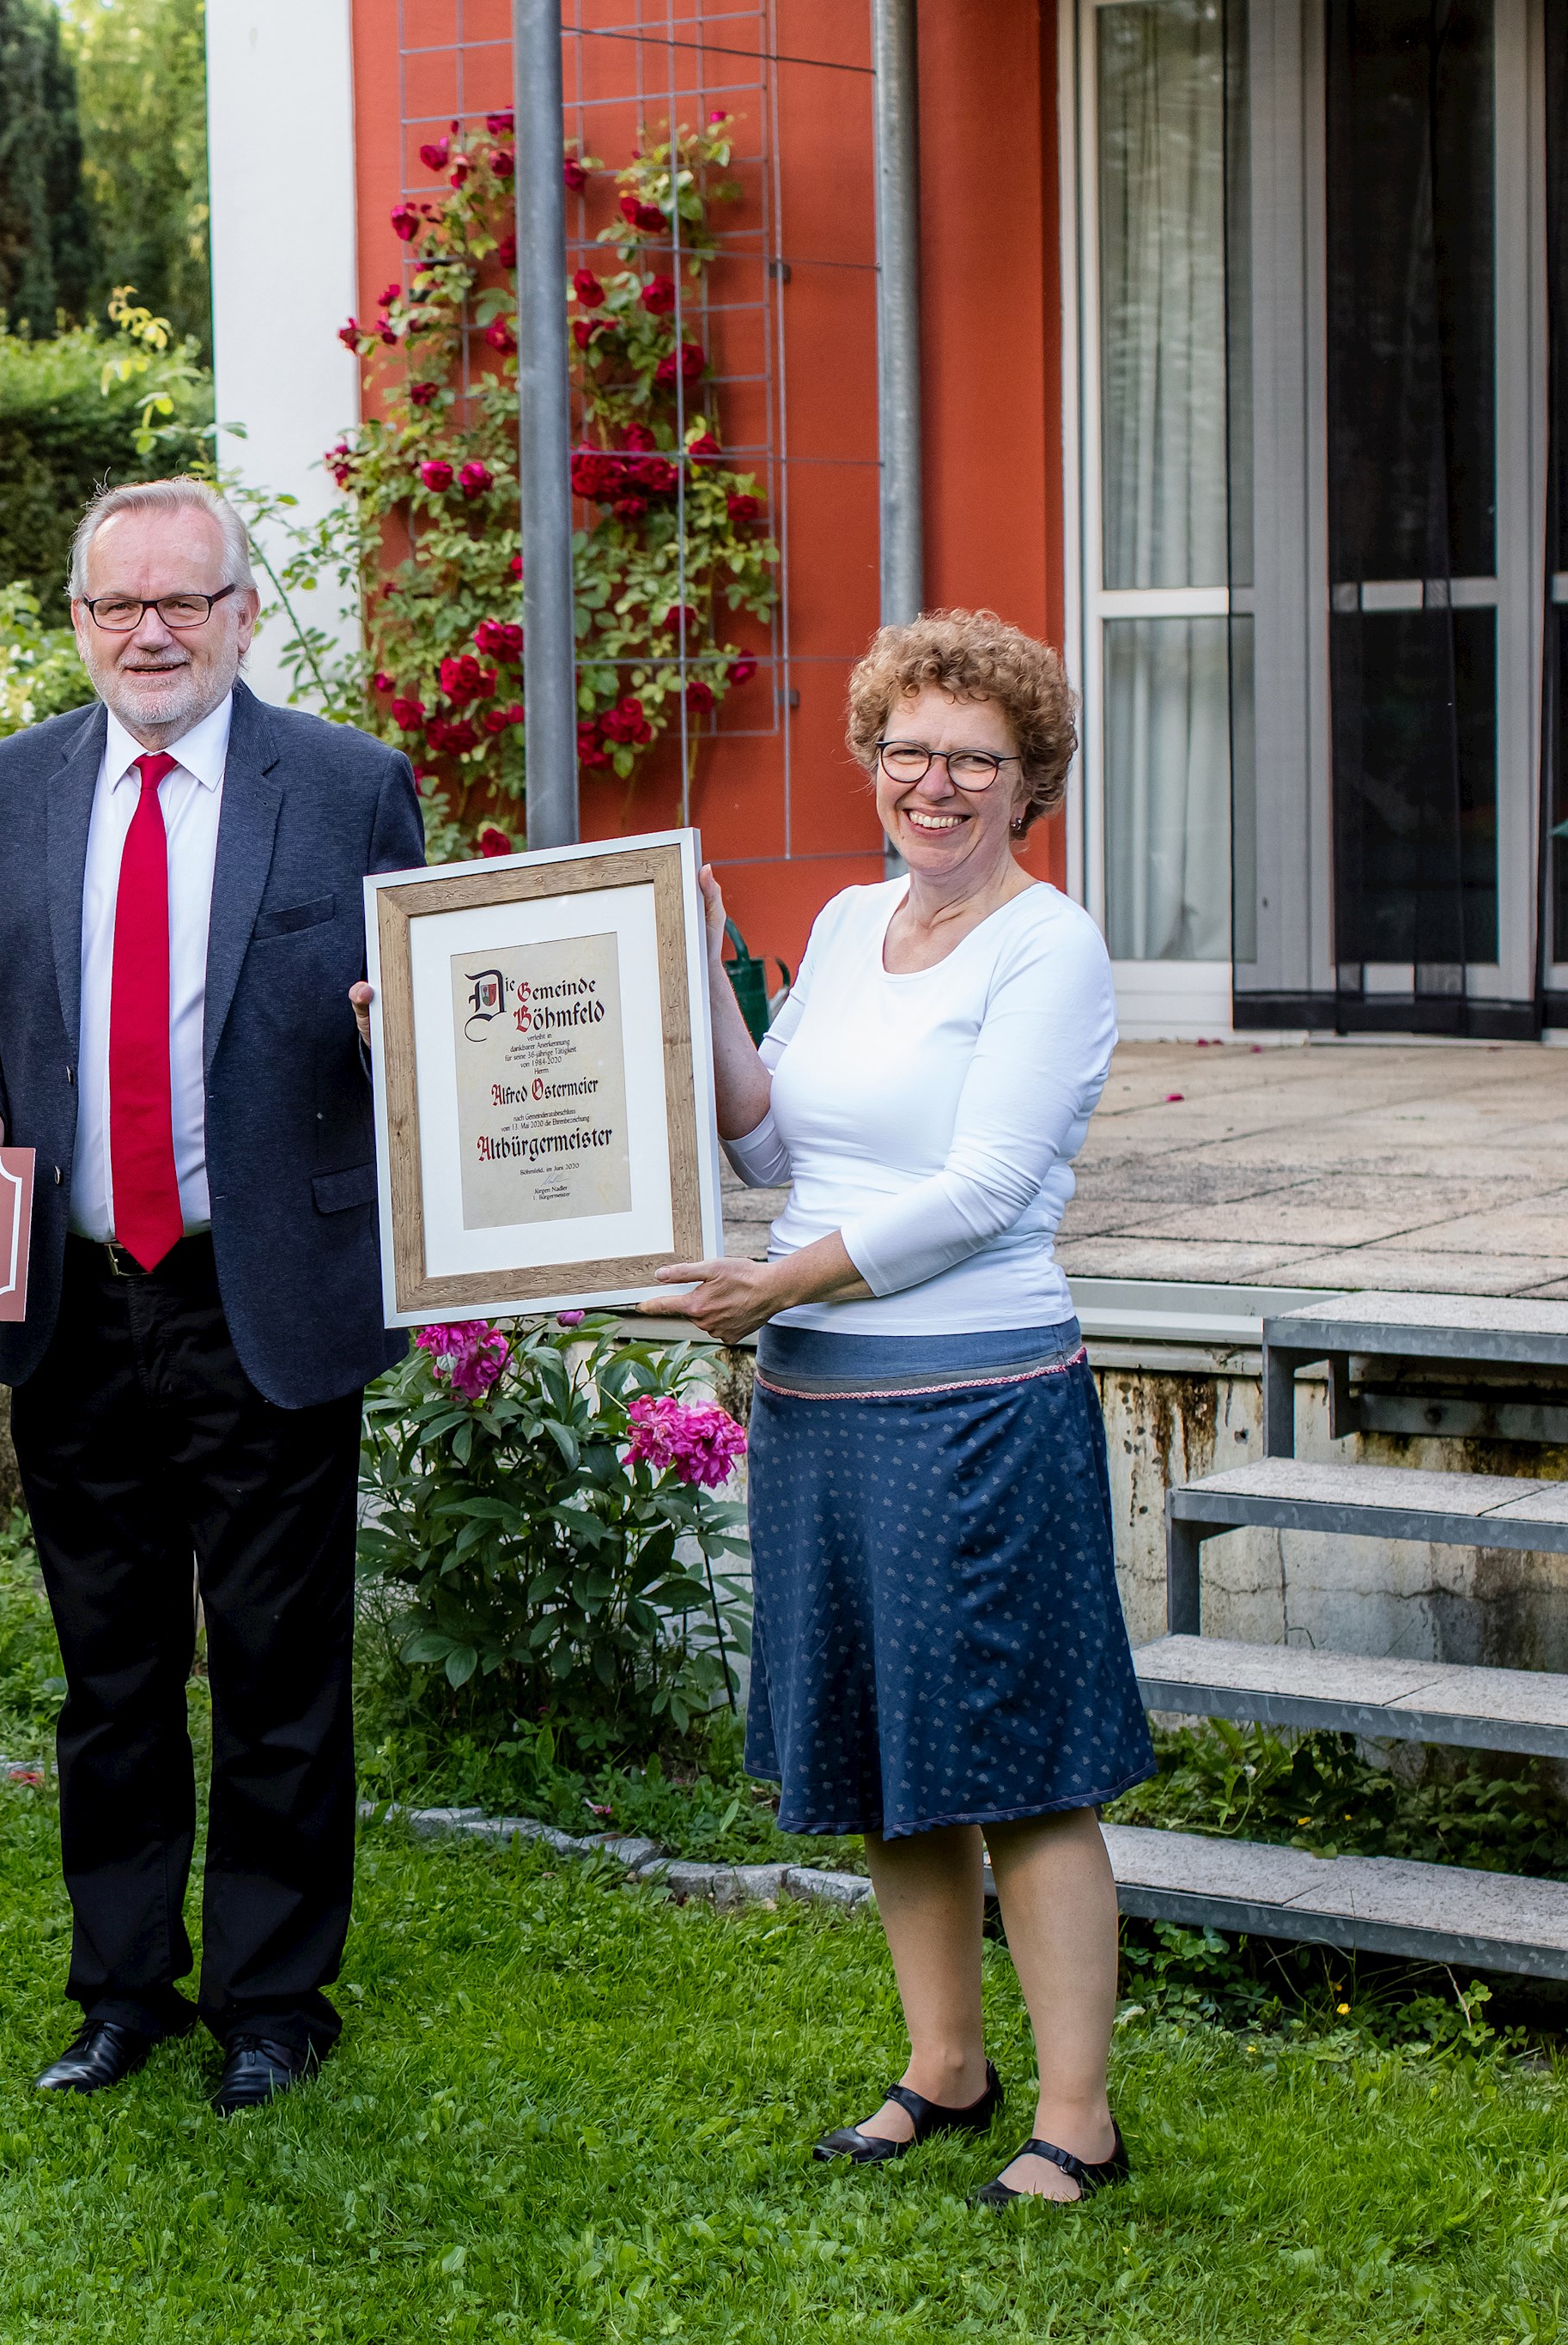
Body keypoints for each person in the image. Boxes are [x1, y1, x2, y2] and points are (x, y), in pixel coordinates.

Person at [0, 478, 423, 2114]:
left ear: (242, 615)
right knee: (110, 1673)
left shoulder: (346, 787)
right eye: (115, 605)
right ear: (74, 621)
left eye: (182, 603)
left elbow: (421, 1026)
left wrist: (387, 1030)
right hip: (73, 1297)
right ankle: (123, 1990)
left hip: (257, 1292)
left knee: (280, 1669)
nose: (149, 631)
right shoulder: (7, 789)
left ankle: (273, 2004)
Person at [653, 609, 1148, 2208]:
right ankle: (946, 2064)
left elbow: (989, 1188)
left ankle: (1078, 2113)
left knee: (1019, 1762)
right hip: (823, 1395)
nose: (937, 785)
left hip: (975, 1397)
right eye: (911, 753)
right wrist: (701, 968)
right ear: (874, 764)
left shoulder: (1045, 943)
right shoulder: (855, 922)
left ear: (1029, 781)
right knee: (881, 1747)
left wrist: (776, 1288)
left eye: (975, 762)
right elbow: (766, 1147)